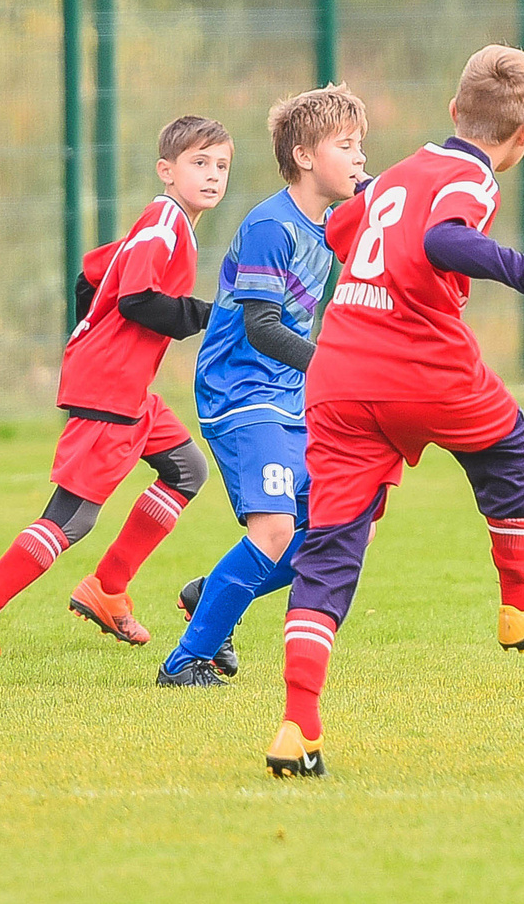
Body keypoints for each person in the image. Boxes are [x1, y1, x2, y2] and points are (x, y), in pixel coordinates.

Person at [264, 46, 524, 778]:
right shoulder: (469, 176)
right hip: (422, 369)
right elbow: (445, 237)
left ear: (452, 111)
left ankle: (297, 728)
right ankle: (517, 607)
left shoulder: (397, 175)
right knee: (509, 448)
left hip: (340, 376)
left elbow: (345, 232)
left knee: (328, 558)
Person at [0, 116, 231, 655]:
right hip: (110, 390)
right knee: (72, 519)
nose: (212, 175)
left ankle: (108, 590)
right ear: (166, 170)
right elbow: (137, 300)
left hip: (125, 386)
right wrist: (209, 315)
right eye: (199, 163)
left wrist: (88, 338)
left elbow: (90, 277)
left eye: (221, 165)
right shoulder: (164, 224)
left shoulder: (165, 224)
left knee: (186, 469)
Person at [157, 86, 370, 687]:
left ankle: (215, 593)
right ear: (304, 156)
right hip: (242, 394)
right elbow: (262, 326)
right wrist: (332, 367)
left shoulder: (330, 225)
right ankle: (185, 662)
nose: (359, 159)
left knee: (347, 529)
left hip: (290, 398)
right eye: (346, 146)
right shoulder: (270, 226)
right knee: (275, 531)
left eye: (362, 147)